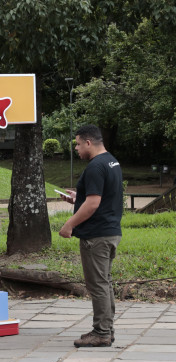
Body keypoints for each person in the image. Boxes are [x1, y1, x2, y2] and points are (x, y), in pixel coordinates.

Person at [58, 125, 123, 348]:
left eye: (77, 144)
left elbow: (94, 204)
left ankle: (101, 332)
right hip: (110, 231)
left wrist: (69, 224)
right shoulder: (111, 161)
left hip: (96, 235)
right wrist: (79, 198)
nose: (76, 149)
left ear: (88, 142)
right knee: (104, 283)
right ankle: (107, 330)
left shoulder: (95, 166)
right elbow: (101, 197)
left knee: (97, 285)